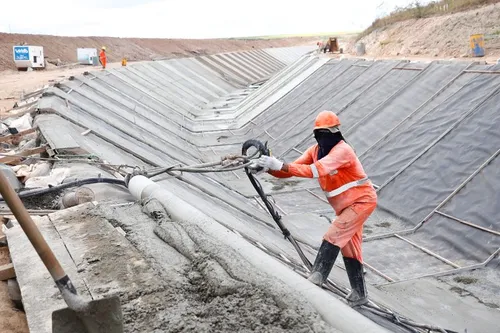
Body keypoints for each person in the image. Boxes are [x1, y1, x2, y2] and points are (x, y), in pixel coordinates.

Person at [255, 110, 377, 306]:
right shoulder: (315, 151)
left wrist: (279, 164)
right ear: (318, 135)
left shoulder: (343, 151)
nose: (325, 138)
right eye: (321, 134)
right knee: (350, 249)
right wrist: (270, 167)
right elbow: (290, 170)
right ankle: (359, 294)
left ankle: (317, 277)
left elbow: (315, 170)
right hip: (346, 207)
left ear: (336, 133)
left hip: (361, 202)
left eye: (329, 133)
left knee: (334, 235)